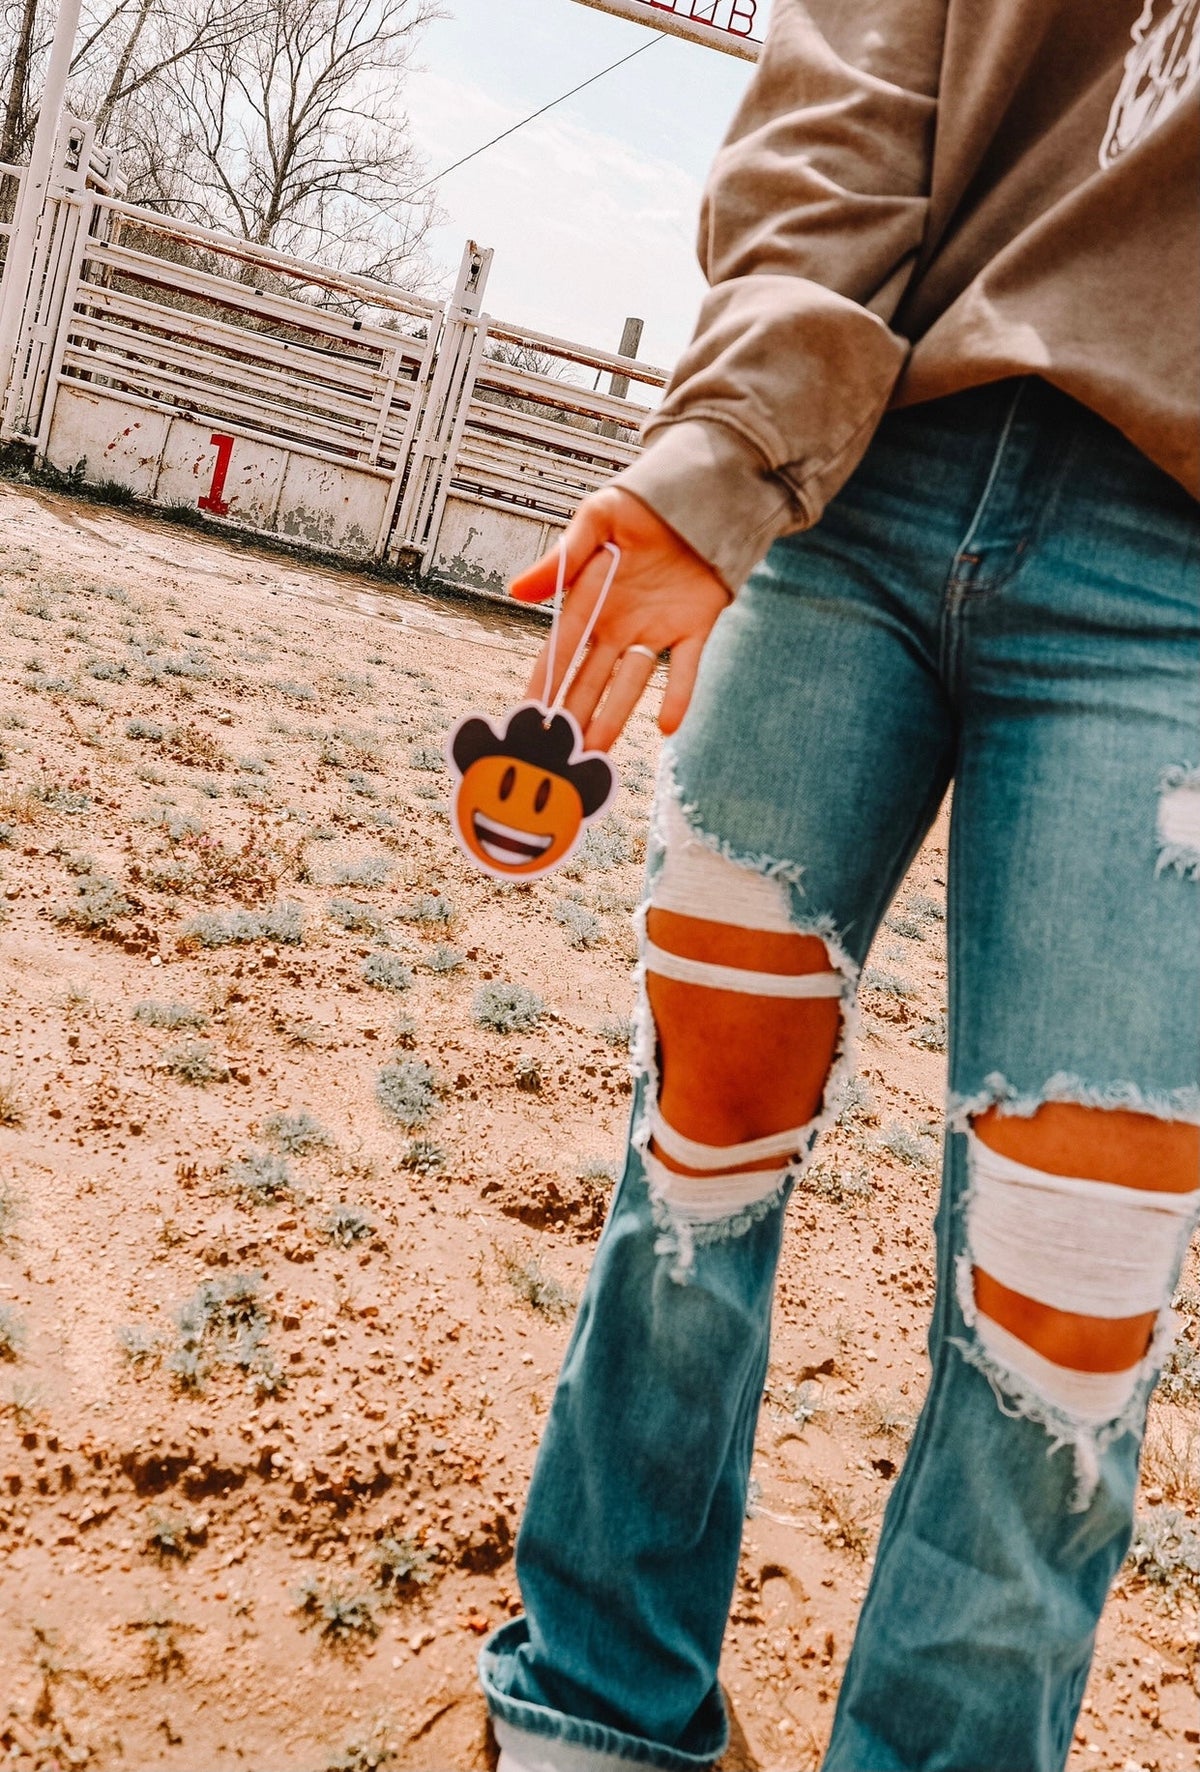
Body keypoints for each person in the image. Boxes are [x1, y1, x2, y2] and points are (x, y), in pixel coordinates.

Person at [478, 2, 1200, 1768]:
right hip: (865, 458)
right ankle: (596, 1699)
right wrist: (729, 444)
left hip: (1183, 580)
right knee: (704, 1139)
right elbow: (855, 73)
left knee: (1072, 1294)